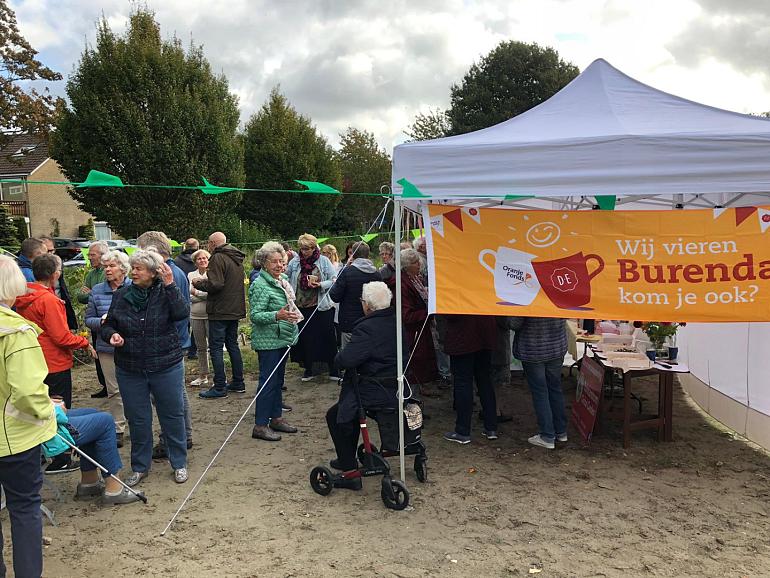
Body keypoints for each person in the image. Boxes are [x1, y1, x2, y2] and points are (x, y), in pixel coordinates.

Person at [101, 249, 190, 484]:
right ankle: (140, 467)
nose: (134, 272)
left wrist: (170, 285)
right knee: (138, 419)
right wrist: (112, 335)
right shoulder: (122, 295)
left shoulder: (165, 293)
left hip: (165, 365)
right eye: (133, 267)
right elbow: (108, 324)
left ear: (153, 272)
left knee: (172, 415)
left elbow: (182, 314)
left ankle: (179, 462)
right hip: (130, 368)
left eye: (139, 268)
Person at [0, 254, 57, 578]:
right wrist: (49, 410)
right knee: (24, 509)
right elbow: (26, 391)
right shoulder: (16, 332)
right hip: (14, 437)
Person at [325, 282, 401, 489]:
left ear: (367, 305)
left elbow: (347, 360)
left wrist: (338, 357)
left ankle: (349, 469)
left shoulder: (367, 328)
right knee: (348, 409)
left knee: (338, 414)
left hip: (375, 389)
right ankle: (347, 458)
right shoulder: (396, 321)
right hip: (397, 385)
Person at [136, 231, 193, 457]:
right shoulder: (174, 270)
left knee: (170, 396)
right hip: (176, 340)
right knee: (176, 393)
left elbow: (177, 311)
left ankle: (177, 438)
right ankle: (181, 435)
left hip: (172, 343)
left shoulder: (169, 274)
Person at [15, 253, 96, 410]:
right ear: (55, 274)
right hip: (54, 363)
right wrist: (84, 342)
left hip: (34, 359)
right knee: (60, 410)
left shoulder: (25, 294)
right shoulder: (48, 300)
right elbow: (61, 337)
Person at [249, 242, 299, 442]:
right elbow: (255, 315)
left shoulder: (282, 280)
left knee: (278, 381)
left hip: (282, 337)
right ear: (264, 264)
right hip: (268, 341)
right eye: (274, 262)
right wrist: (276, 315)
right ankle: (260, 425)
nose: (279, 265)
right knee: (267, 383)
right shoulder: (259, 284)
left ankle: (276, 418)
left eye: (282, 261)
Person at [45, 404, 142, 505]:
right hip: (40, 428)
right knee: (105, 422)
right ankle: (114, 489)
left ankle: (89, 483)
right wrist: (52, 407)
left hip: (35, 421)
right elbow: (34, 403)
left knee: (92, 413)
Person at [84, 250, 131, 447]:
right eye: (105, 267)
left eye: (111, 266)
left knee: (135, 389)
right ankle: (119, 427)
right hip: (106, 348)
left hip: (132, 347)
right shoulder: (97, 290)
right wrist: (102, 322)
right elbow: (88, 320)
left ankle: (137, 425)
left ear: (122, 268)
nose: (107, 270)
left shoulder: (134, 288)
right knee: (114, 390)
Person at [194, 232, 247, 399]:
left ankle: (219, 387)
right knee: (232, 345)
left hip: (220, 309)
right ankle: (238, 382)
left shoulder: (218, 257)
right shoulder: (236, 257)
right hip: (235, 308)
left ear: (212, 243)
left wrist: (199, 283)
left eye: (208, 244)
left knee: (216, 348)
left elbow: (216, 284)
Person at [510, 316, 569, 449]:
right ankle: (561, 431)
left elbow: (515, 323)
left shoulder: (526, 296)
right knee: (555, 389)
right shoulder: (558, 294)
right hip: (556, 348)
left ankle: (547, 435)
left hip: (533, 350)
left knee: (540, 393)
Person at [286, 234, 339, 382]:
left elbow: (334, 280)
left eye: (307, 249)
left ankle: (333, 369)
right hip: (302, 306)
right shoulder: (295, 262)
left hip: (321, 306)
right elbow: (287, 278)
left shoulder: (323, 261)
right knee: (306, 339)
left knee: (327, 337)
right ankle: (309, 369)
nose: (304, 252)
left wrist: (321, 284)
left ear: (314, 247)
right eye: (302, 249)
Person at [387, 248, 437, 395]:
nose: (419, 264)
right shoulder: (401, 284)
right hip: (411, 334)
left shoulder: (415, 279)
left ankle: (415, 403)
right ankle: (410, 407)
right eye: (415, 262)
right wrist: (428, 313)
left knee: (419, 369)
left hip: (419, 330)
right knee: (412, 369)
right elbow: (406, 315)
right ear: (406, 265)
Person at [443, 315, 498, 444]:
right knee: (485, 381)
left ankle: (463, 431)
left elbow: (450, 314)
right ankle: (491, 427)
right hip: (485, 334)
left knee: (463, 382)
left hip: (463, 337)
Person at [329, 241, 381, 349]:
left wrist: (334, 283)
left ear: (353, 254)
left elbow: (335, 296)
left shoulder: (347, 272)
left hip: (349, 322)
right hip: (370, 320)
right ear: (368, 254)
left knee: (350, 355)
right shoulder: (376, 273)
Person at [76, 240, 110, 398]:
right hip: (94, 319)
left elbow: (100, 294)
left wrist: (92, 292)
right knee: (98, 354)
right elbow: (80, 296)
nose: (89, 257)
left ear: (103, 256)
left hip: (106, 320)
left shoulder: (107, 272)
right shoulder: (91, 274)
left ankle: (112, 385)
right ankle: (104, 384)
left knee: (109, 354)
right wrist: (93, 293)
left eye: (92, 255)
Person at [38, 236, 77, 330]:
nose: (50, 254)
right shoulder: (35, 270)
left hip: (59, 309)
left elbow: (62, 288)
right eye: (47, 251)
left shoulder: (56, 263)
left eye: (52, 251)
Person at [188, 248, 211, 387]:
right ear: (195, 262)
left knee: (214, 347)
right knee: (200, 347)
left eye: (204, 258)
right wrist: (201, 294)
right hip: (195, 315)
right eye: (199, 259)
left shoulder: (212, 274)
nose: (202, 260)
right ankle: (203, 375)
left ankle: (220, 377)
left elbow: (211, 294)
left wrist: (196, 292)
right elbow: (189, 295)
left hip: (210, 315)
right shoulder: (191, 275)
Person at [174, 238, 200, 359]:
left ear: (185, 247)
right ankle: (193, 351)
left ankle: (183, 346)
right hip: (198, 296)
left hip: (181, 295)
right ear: (197, 246)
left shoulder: (177, 261)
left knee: (184, 324)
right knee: (196, 325)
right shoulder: (201, 259)